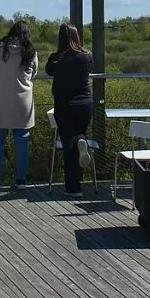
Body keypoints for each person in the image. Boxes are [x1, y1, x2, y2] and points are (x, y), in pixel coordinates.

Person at [0, 21, 38, 190]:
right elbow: (34, 73)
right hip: (23, 102)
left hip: (1, 99)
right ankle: (21, 179)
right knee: (22, 141)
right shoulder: (31, 51)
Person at [45, 23, 94, 198]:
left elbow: (49, 70)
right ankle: (83, 141)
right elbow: (90, 70)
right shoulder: (87, 55)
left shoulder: (57, 58)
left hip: (65, 105)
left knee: (68, 144)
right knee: (79, 133)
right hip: (86, 104)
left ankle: (73, 188)